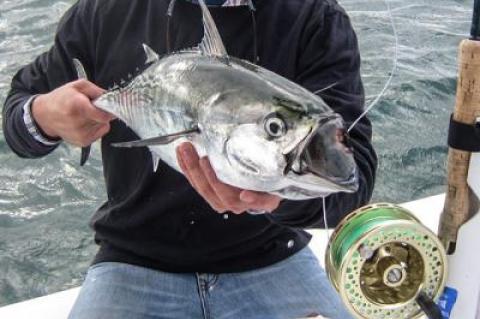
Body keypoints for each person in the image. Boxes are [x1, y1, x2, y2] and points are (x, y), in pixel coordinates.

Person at [2, 0, 377, 318]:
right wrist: (42, 116)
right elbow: (17, 115)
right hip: (132, 260)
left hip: (272, 256)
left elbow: (352, 180)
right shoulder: (106, 9)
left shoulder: (314, 17)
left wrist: (278, 201)